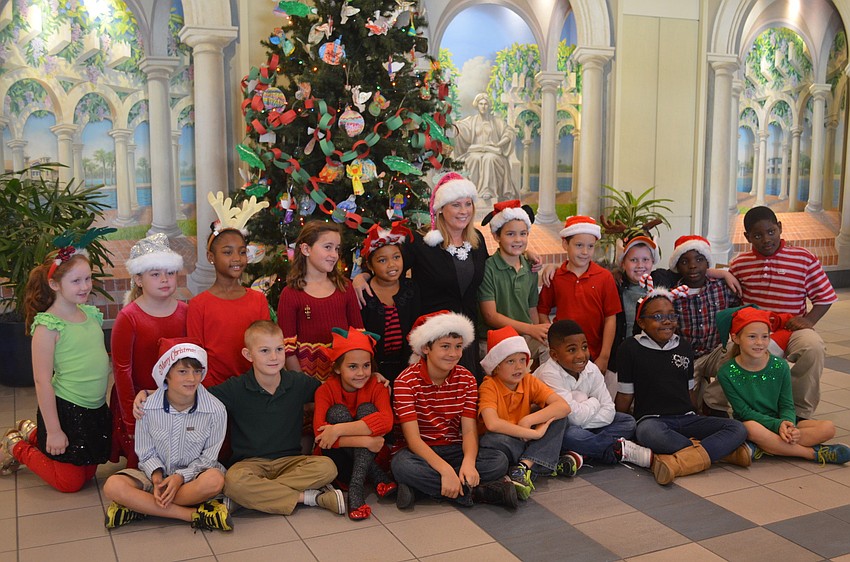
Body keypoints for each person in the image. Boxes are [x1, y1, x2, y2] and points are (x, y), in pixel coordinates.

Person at [134, 321, 344, 516]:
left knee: (327, 467)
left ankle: (249, 498)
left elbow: (331, 392)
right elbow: (194, 393)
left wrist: (374, 380)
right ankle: (310, 497)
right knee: (233, 482)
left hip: (290, 461)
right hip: (249, 465)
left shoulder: (298, 383)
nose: (274, 357)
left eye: (279, 349)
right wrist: (149, 393)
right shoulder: (236, 388)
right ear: (248, 354)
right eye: (264, 351)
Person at [0, 240, 111, 491]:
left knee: (88, 473)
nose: (85, 287)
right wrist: (54, 430)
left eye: (88, 279)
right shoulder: (48, 326)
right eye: (76, 281)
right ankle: (17, 444)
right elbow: (41, 381)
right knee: (69, 483)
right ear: (54, 284)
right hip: (67, 410)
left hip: (93, 408)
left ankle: (32, 433)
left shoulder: (90, 315)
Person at [614, 287, 751, 485]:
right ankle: (720, 453)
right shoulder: (630, 348)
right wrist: (621, 425)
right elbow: (626, 394)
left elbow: (689, 390)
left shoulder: (683, 345)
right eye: (658, 316)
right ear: (641, 321)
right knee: (648, 434)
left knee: (737, 428)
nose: (667, 321)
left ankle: (679, 459)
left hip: (687, 419)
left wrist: (698, 417)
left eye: (671, 315)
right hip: (654, 420)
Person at [391, 311, 518, 510]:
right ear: (426, 348)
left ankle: (420, 490)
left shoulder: (466, 379)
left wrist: (468, 461)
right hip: (421, 451)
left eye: (458, 347)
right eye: (445, 346)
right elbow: (413, 440)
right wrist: (445, 471)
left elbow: (468, 430)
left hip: (454, 448)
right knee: (401, 465)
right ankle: (478, 492)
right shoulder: (405, 382)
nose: (453, 354)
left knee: (498, 461)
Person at [103, 337, 231, 531]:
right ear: (166, 375)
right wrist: (156, 476)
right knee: (112, 485)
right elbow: (145, 451)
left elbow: (209, 458)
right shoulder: (147, 406)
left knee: (214, 480)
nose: (191, 378)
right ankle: (191, 515)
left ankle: (142, 506)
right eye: (182, 371)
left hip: (192, 479)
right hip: (155, 476)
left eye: (197, 371)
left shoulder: (216, 410)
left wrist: (179, 477)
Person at [725, 206, 837, 419]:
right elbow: (732, 301)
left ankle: (798, 410)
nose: (766, 239)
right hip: (755, 330)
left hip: (792, 327)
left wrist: (808, 320)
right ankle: (739, 410)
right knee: (729, 355)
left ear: (779, 228)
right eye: (757, 235)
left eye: (771, 232)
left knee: (813, 348)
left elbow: (825, 296)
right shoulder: (740, 264)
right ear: (748, 237)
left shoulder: (803, 258)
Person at [716, 307, 850, 465]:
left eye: (765, 337)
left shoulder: (780, 366)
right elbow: (743, 412)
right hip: (756, 424)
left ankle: (768, 446)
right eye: (752, 337)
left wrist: (789, 425)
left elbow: (786, 404)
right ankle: (811, 453)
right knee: (751, 428)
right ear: (736, 338)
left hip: (780, 421)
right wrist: (778, 425)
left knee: (828, 428)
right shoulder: (726, 372)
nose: (759, 343)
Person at [110, 233, 187, 468]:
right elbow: (122, 372)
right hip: (140, 405)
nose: (165, 279)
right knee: (146, 466)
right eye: (155, 274)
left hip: (177, 400)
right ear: (139, 279)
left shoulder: (186, 311)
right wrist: (132, 423)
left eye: (170, 273)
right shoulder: (129, 318)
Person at [534, 320, 650, 468]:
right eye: (572, 350)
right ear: (554, 355)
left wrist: (584, 414)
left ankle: (582, 452)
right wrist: (594, 402)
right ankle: (616, 450)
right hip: (558, 428)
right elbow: (571, 418)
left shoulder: (591, 369)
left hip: (583, 425)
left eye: (584, 347)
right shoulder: (549, 374)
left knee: (627, 422)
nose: (581, 355)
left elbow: (608, 409)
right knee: (569, 435)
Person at [478, 326, 571, 500]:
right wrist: (533, 433)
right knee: (492, 440)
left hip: (525, 439)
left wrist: (529, 420)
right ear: (496, 367)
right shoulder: (489, 385)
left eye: (522, 360)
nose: (519, 367)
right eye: (510, 362)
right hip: (505, 440)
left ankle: (523, 466)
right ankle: (540, 460)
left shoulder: (528, 380)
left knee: (559, 418)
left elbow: (563, 406)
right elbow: (492, 424)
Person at [313, 327, 396, 520]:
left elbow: (386, 422)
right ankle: (374, 478)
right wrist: (365, 441)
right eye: (352, 367)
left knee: (367, 409)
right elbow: (321, 436)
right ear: (336, 368)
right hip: (339, 462)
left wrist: (338, 430)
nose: (361, 373)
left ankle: (356, 487)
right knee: (337, 412)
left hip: (373, 457)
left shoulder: (377, 385)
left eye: (366, 366)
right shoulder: (325, 391)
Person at [188, 192, 271, 386]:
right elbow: (196, 354)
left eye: (242, 252)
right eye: (227, 252)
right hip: (215, 391)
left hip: (253, 388)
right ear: (211, 257)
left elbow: (265, 346)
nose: (236, 258)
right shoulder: (198, 305)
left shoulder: (257, 300)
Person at [661, 236, 741, 411]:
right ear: (677, 267)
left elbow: (738, 312)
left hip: (716, 353)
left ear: (707, 263)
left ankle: (714, 403)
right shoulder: (673, 295)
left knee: (739, 355)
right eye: (684, 262)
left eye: (699, 259)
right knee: (686, 407)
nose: (692, 266)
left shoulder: (722, 287)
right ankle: (698, 401)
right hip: (686, 359)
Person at [278, 221, 363, 382]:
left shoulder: (345, 287)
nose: (334, 255)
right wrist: (306, 388)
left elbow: (359, 336)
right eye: (327, 247)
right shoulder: (290, 294)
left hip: (344, 381)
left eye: (337, 248)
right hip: (306, 383)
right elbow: (288, 350)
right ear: (306, 249)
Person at [537, 216, 622, 375]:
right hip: (562, 357)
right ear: (565, 244)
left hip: (594, 356)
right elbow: (542, 310)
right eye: (579, 245)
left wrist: (604, 356)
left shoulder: (604, 277)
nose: (585, 252)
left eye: (590, 246)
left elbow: (610, 317)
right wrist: (552, 340)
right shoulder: (555, 276)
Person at [478, 200, 547, 363]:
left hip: (523, 336)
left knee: (554, 344)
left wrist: (536, 330)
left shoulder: (530, 267)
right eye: (510, 234)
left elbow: (532, 309)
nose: (518, 239)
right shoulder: (488, 268)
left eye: (523, 234)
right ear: (496, 236)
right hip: (494, 340)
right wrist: (531, 329)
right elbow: (490, 316)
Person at [358, 221, 420, 383]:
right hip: (372, 371)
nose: (392, 265)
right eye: (382, 260)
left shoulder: (411, 289)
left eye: (396, 257)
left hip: (408, 368)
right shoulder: (363, 294)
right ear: (370, 265)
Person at [454, 93, 518, 202]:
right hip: (475, 151)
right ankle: (472, 191)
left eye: (486, 104)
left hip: (494, 152)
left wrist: (499, 144)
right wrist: (452, 125)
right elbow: (461, 128)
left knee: (489, 159)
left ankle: (488, 191)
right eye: (481, 104)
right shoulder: (471, 121)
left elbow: (509, 132)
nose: (483, 106)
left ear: (489, 106)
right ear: (477, 105)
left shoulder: (496, 121)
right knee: (473, 159)